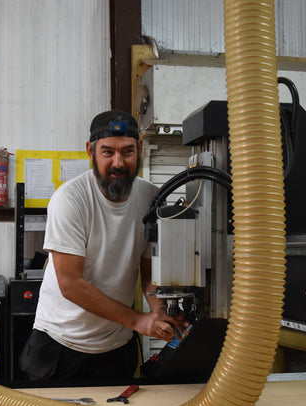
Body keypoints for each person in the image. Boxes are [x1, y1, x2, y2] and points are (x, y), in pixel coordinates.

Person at [18, 110, 188, 381]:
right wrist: (138, 321)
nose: (118, 163)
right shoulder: (70, 200)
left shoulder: (152, 198)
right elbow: (70, 284)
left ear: (140, 149)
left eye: (127, 152)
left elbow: (148, 269)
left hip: (116, 347)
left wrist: (158, 312)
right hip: (61, 345)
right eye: (108, 152)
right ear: (90, 151)